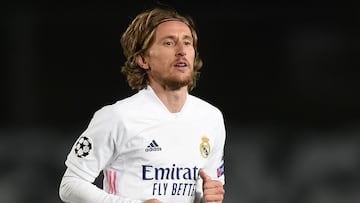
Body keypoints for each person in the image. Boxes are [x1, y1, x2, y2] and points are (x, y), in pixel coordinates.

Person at [59, 6, 226, 203]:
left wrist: (209, 197)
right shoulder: (117, 116)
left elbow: (208, 186)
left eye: (187, 43)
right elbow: (70, 185)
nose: (182, 51)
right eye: (169, 43)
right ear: (143, 59)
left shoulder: (211, 117)